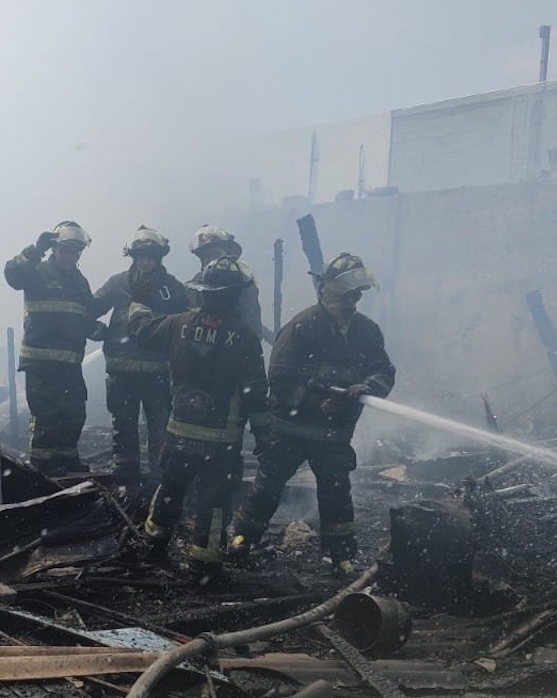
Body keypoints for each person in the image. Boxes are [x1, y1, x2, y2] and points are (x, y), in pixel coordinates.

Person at [230, 253, 395, 575]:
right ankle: (241, 539)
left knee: (336, 494)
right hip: (291, 428)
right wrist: (317, 396)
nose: (352, 301)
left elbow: (383, 369)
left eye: (356, 295)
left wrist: (368, 387)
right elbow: (278, 375)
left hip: (334, 434)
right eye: (347, 294)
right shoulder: (302, 326)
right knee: (268, 486)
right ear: (327, 291)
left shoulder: (366, 331)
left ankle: (341, 556)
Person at [127, 256, 270, 584]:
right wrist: (264, 436)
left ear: (203, 292)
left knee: (170, 489)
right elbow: (255, 392)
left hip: (178, 436)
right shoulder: (244, 336)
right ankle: (203, 564)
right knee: (213, 502)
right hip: (220, 444)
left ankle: (154, 544)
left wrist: (136, 304)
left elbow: (142, 333)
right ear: (235, 295)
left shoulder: (179, 324)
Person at [4, 220, 105, 477]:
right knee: (47, 415)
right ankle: (44, 466)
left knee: (73, 413)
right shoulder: (37, 271)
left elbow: (83, 318)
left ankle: (68, 461)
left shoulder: (80, 282)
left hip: (69, 363)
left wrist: (98, 331)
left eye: (74, 252)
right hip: (41, 362)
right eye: (64, 251)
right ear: (53, 249)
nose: (69, 256)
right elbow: (13, 275)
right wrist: (35, 249)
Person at [92, 226, 187, 486]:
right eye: (141, 256)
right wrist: (96, 330)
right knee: (123, 420)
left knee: (160, 423)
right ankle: (126, 471)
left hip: (157, 370)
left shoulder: (173, 289)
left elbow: (188, 321)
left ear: (159, 258)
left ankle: (159, 473)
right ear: (133, 257)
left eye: (151, 257)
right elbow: (90, 308)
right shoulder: (117, 284)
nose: (146, 262)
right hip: (121, 370)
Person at [188, 225, 273, 344]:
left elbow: (252, 329)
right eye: (207, 256)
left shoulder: (243, 284)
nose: (211, 259)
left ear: (227, 254)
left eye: (215, 254)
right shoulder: (195, 284)